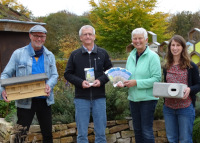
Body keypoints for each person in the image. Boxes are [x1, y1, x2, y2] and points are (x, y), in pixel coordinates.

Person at [0, 25, 58, 143]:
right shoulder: (18, 54)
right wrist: (2, 89)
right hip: (25, 101)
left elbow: (54, 75)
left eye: (42, 36)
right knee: (20, 134)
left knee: (47, 134)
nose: (39, 39)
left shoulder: (49, 55)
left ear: (45, 38)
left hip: (44, 100)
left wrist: (49, 85)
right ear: (30, 36)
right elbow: (5, 74)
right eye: (36, 35)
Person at [64, 25, 112, 143]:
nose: (88, 36)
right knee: (81, 135)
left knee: (101, 134)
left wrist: (101, 80)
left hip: (99, 98)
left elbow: (110, 72)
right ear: (81, 37)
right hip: (81, 99)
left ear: (94, 36)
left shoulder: (103, 53)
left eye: (90, 34)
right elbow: (68, 74)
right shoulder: (74, 55)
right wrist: (80, 82)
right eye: (85, 34)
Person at [117, 27, 161, 143]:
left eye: (140, 38)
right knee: (137, 130)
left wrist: (136, 83)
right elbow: (129, 76)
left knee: (146, 131)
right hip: (133, 98)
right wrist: (124, 83)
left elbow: (156, 79)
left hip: (148, 99)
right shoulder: (130, 56)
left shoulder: (153, 56)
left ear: (146, 40)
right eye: (135, 38)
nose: (137, 41)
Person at [163, 35, 200, 143]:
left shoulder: (191, 66)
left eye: (178, 45)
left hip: (185, 108)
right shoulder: (166, 66)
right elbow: (166, 86)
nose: (175, 48)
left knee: (185, 140)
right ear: (169, 47)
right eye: (173, 45)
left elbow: (198, 85)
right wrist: (159, 92)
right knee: (171, 139)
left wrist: (190, 89)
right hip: (168, 108)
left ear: (183, 47)